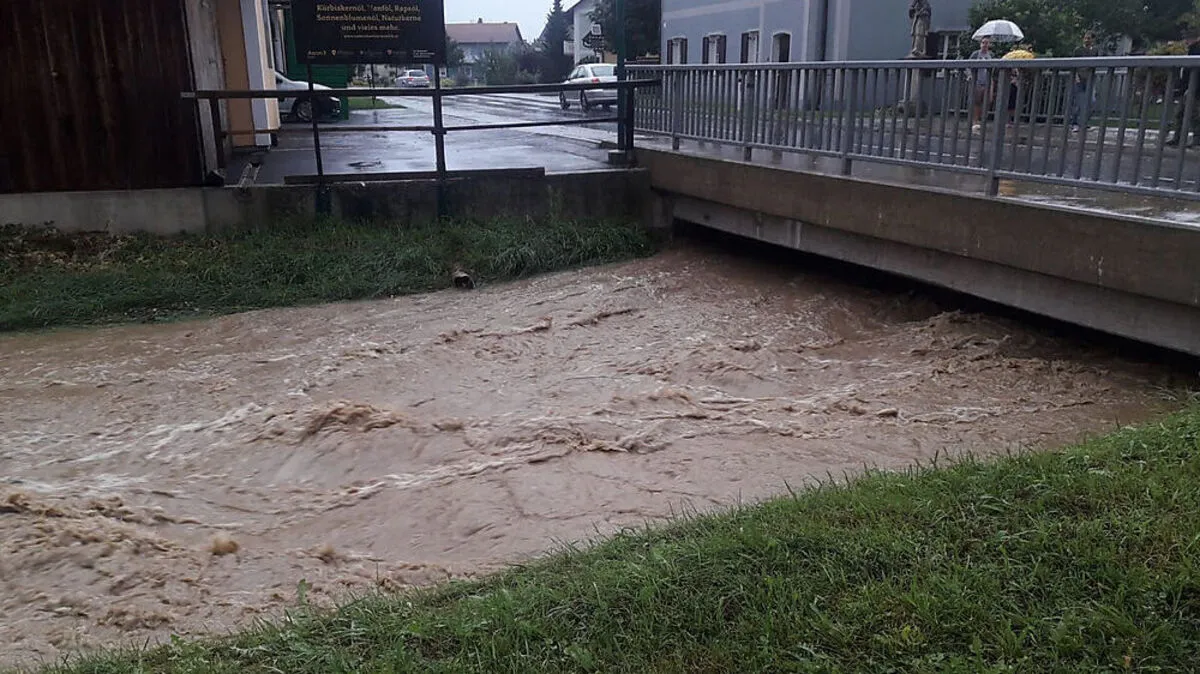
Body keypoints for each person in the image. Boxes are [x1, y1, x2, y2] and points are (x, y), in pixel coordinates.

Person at [1166, 30, 1200, 147]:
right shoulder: (1192, 50)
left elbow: (1193, 71)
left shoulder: (1196, 50)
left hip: (1193, 88)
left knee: (1192, 113)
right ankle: (1179, 137)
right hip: (1188, 88)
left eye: (1187, 38)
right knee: (1182, 113)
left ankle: (1195, 138)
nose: (1186, 41)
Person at [1070, 31, 1101, 131]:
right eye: (1085, 38)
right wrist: (1076, 76)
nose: (1086, 40)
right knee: (1078, 102)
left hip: (1090, 78)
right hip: (1079, 78)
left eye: (1089, 38)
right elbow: (1073, 65)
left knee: (1091, 101)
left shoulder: (1095, 50)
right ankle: (1075, 123)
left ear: (1093, 40)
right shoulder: (1078, 50)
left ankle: (1084, 122)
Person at [967, 36, 996, 129]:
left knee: (988, 101)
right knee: (977, 101)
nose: (985, 45)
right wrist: (969, 75)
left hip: (988, 81)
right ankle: (975, 121)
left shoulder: (991, 55)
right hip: (978, 80)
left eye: (987, 43)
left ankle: (982, 120)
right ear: (980, 44)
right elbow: (968, 65)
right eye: (983, 43)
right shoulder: (975, 54)